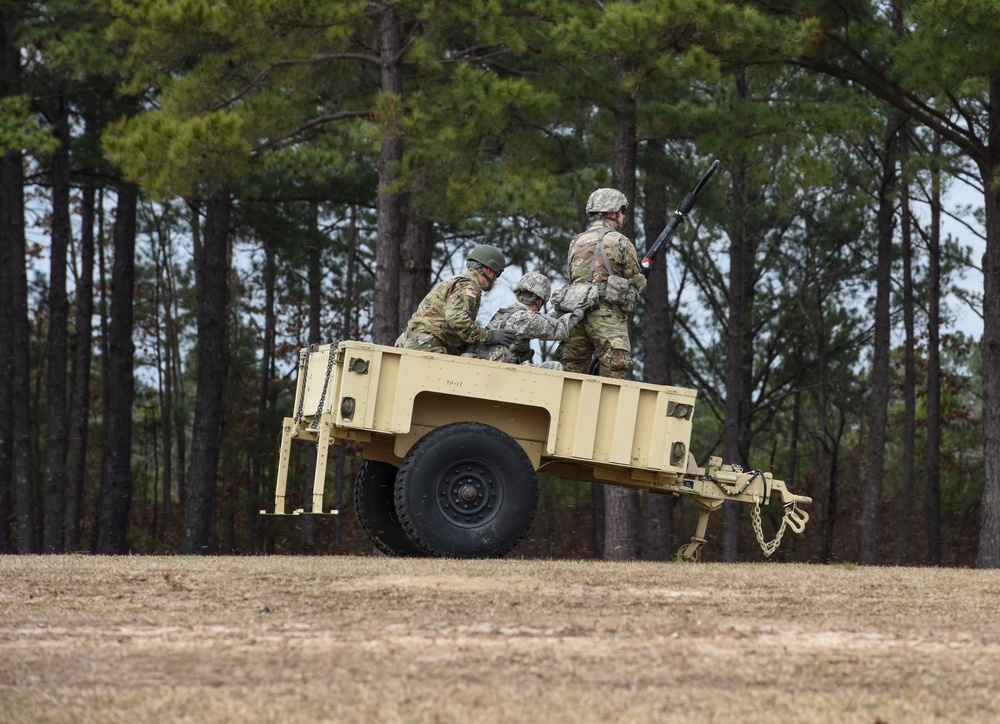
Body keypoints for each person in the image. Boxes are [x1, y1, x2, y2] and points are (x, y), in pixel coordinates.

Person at [556, 187, 647, 379]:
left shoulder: (576, 241)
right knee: (616, 364)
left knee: (569, 365)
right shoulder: (621, 242)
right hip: (605, 314)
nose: (624, 216)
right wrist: (642, 277)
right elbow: (635, 280)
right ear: (612, 213)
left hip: (577, 313)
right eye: (623, 211)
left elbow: (572, 276)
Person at [396, 244, 517, 355]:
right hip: (426, 349)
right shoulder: (469, 285)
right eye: (497, 274)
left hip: (414, 344)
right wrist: (489, 336)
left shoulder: (457, 281)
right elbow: (457, 319)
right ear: (489, 270)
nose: (495, 279)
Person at [463, 272, 585, 370]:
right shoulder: (528, 319)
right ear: (539, 301)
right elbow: (560, 329)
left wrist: (559, 312)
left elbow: (543, 321)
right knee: (555, 367)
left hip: (480, 363)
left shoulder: (504, 313)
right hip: (498, 370)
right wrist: (580, 310)